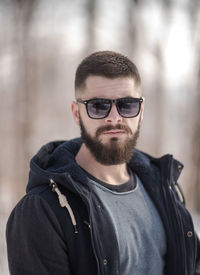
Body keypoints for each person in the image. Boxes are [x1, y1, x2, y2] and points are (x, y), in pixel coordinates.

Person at [6, 51, 200, 275]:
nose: (115, 117)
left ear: (141, 110)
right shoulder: (42, 210)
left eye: (127, 105)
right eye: (98, 106)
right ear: (77, 113)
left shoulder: (164, 188)